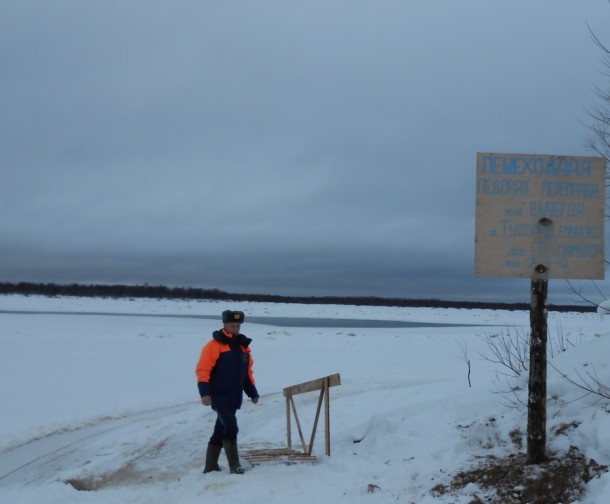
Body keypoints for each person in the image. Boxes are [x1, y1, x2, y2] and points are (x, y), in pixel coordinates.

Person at [196, 310, 260, 474]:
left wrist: (252, 393)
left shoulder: (243, 348)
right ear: (224, 325)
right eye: (232, 325)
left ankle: (210, 466)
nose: (235, 328)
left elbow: (246, 374)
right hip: (219, 396)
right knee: (231, 427)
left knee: (220, 430)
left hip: (234, 396)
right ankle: (234, 465)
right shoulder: (214, 346)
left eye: (238, 326)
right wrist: (205, 393)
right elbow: (203, 370)